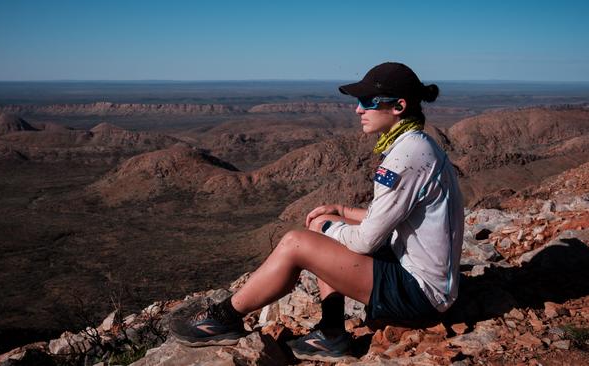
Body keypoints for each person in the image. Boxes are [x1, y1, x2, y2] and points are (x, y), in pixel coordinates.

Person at [169, 62, 464, 362]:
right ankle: (331, 331)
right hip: (423, 278)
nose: (358, 110)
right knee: (324, 224)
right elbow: (387, 215)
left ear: (399, 106)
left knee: (297, 242)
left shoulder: (405, 157)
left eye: (367, 102)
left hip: (420, 295)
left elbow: (365, 242)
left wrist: (327, 230)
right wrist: (340, 212)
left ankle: (223, 318)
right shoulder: (417, 144)